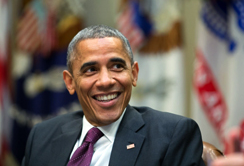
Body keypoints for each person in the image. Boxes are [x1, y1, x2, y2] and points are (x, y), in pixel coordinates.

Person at [21, 24, 205, 166]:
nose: (106, 81)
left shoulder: (173, 135)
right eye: (91, 70)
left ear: (134, 74)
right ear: (70, 82)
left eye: (117, 66)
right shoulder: (41, 136)